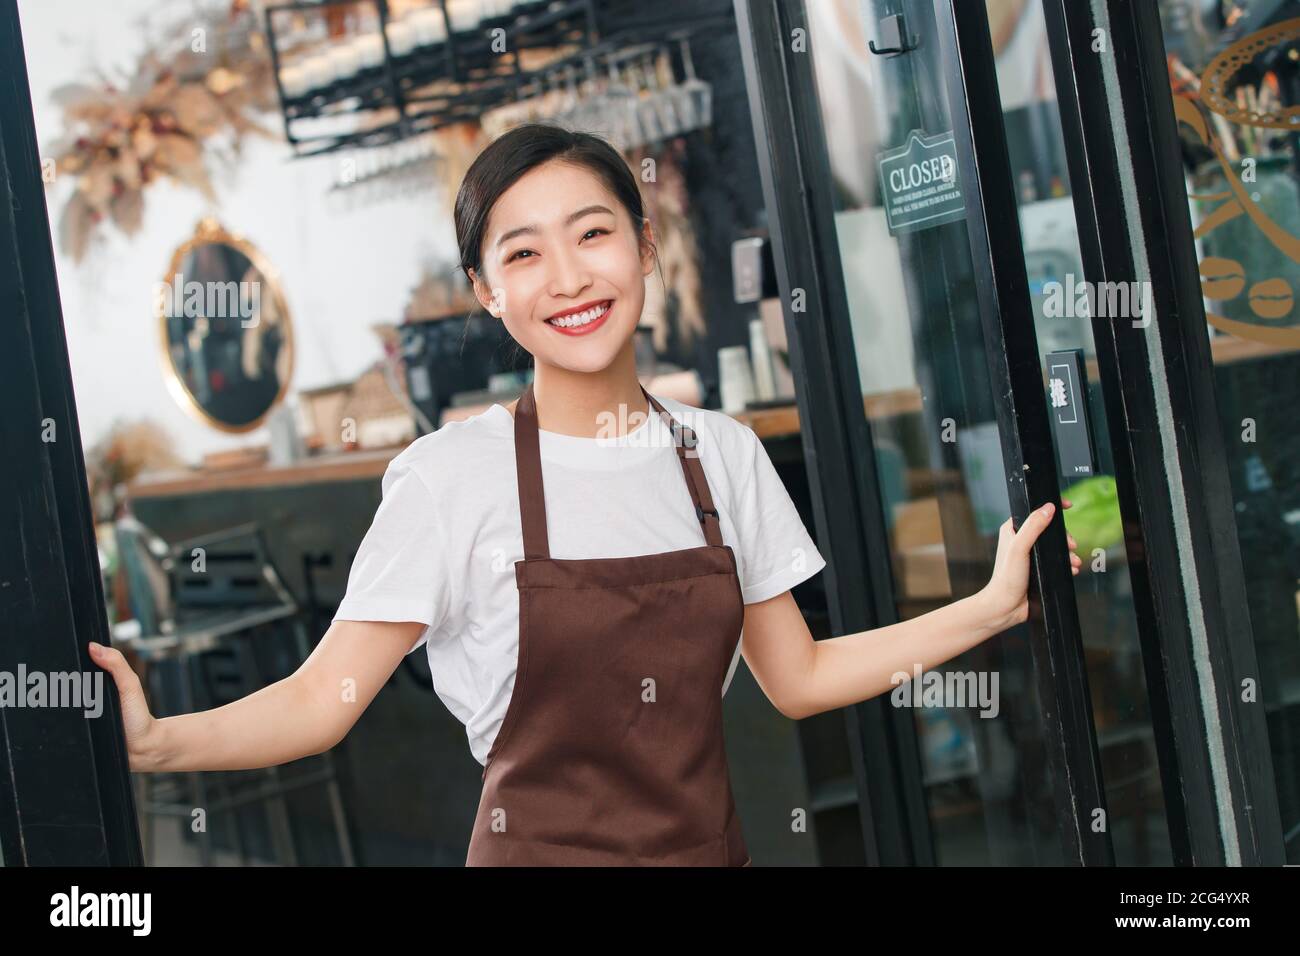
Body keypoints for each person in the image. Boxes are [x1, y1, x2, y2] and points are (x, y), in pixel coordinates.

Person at [91, 122, 1081, 866]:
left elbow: (799, 675)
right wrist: (158, 740)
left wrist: (989, 605)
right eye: (521, 253)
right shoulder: (448, 477)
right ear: (485, 289)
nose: (566, 278)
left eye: (592, 234)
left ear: (644, 245)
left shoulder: (720, 455)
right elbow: (321, 698)